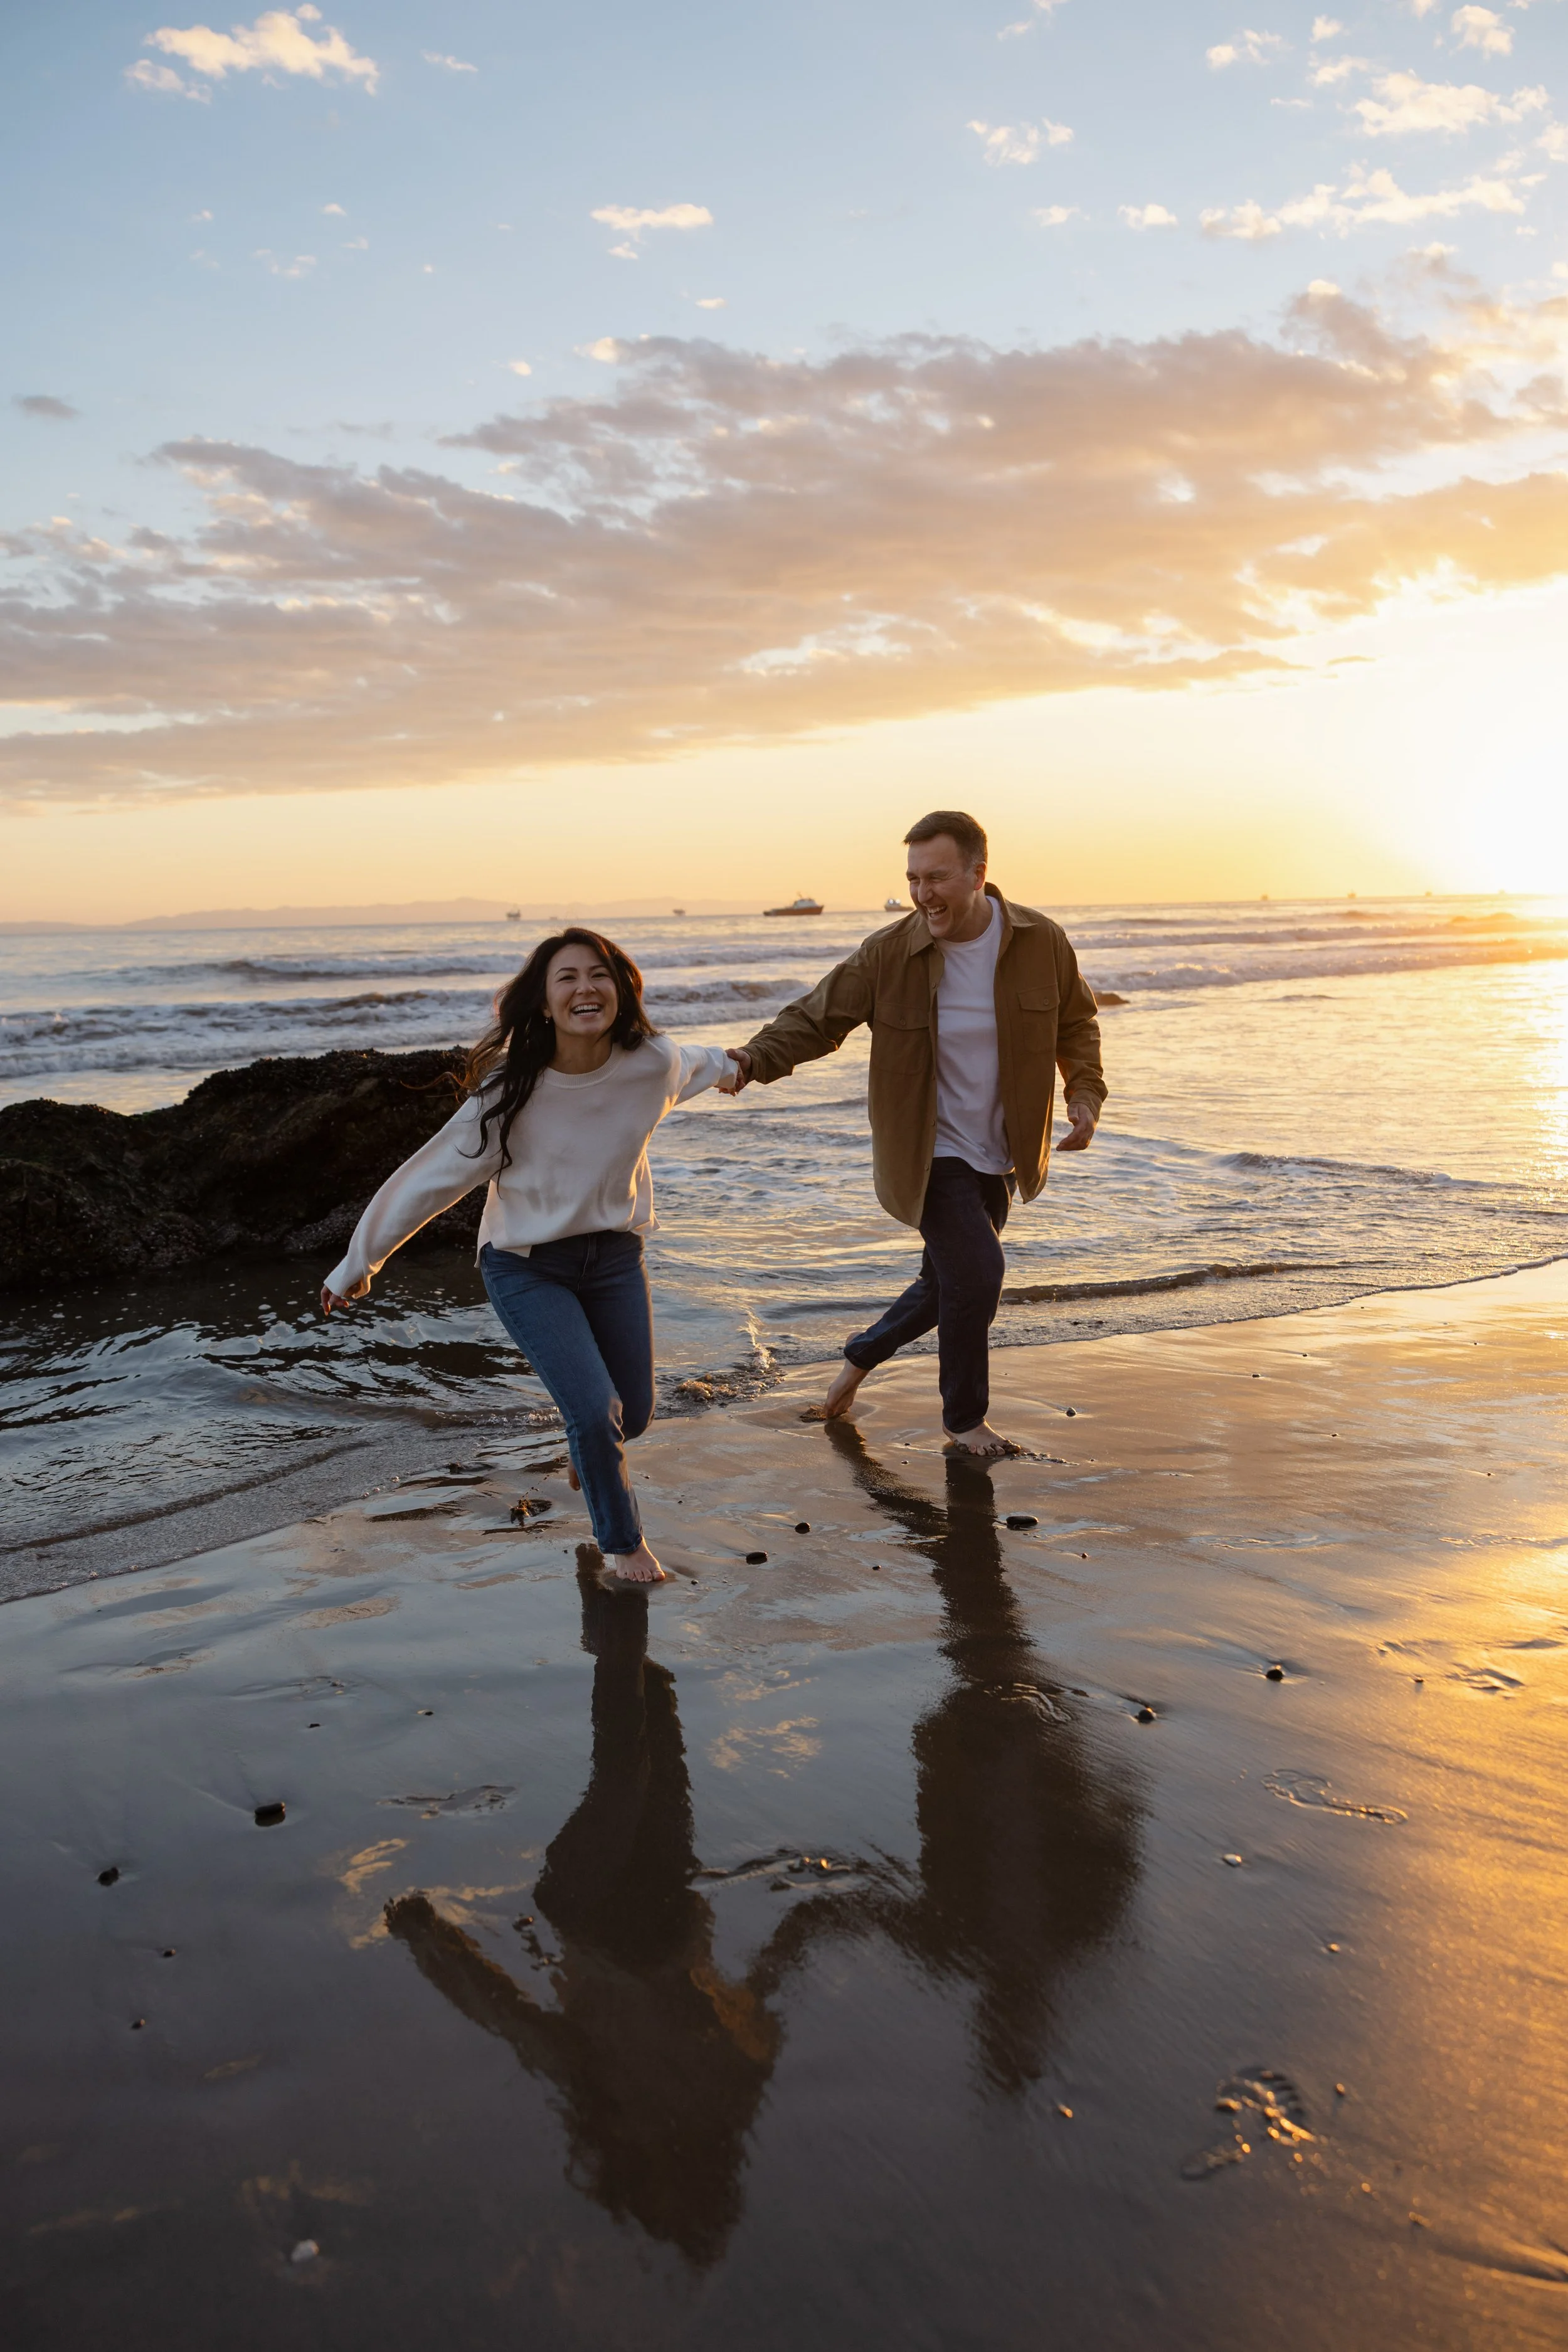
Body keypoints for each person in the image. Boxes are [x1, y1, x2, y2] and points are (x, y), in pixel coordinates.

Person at [320, 928, 739, 1584]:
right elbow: (429, 1179)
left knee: (634, 1411)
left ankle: (589, 1449)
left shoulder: (651, 1062)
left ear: (622, 990)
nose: (585, 988)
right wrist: (358, 1263)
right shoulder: (510, 1091)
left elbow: (704, 1062)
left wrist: (742, 1066)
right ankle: (623, 1546)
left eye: (599, 974)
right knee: (596, 1414)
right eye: (567, 978)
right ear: (544, 1003)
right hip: (525, 1263)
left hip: (614, 1258)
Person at [724, 811, 1106, 1457]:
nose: (923, 894)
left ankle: (855, 1363)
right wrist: (750, 1060)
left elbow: (1076, 1025)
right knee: (979, 1275)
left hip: (1000, 1152)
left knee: (944, 1285)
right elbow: (816, 1019)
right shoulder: (889, 953)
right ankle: (963, 1422)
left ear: (978, 875)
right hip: (927, 1152)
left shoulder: (1042, 941)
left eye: (937, 877)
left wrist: (1084, 1095)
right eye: (912, 879)